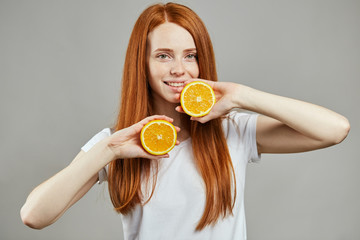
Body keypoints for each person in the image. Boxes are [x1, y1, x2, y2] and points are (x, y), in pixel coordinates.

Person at [20, 2, 350, 240]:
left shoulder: (232, 131)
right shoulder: (117, 145)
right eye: (163, 55)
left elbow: (336, 130)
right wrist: (109, 149)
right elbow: (33, 215)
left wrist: (239, 95)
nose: (180, 69)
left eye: (190, 56)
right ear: (143, 65)